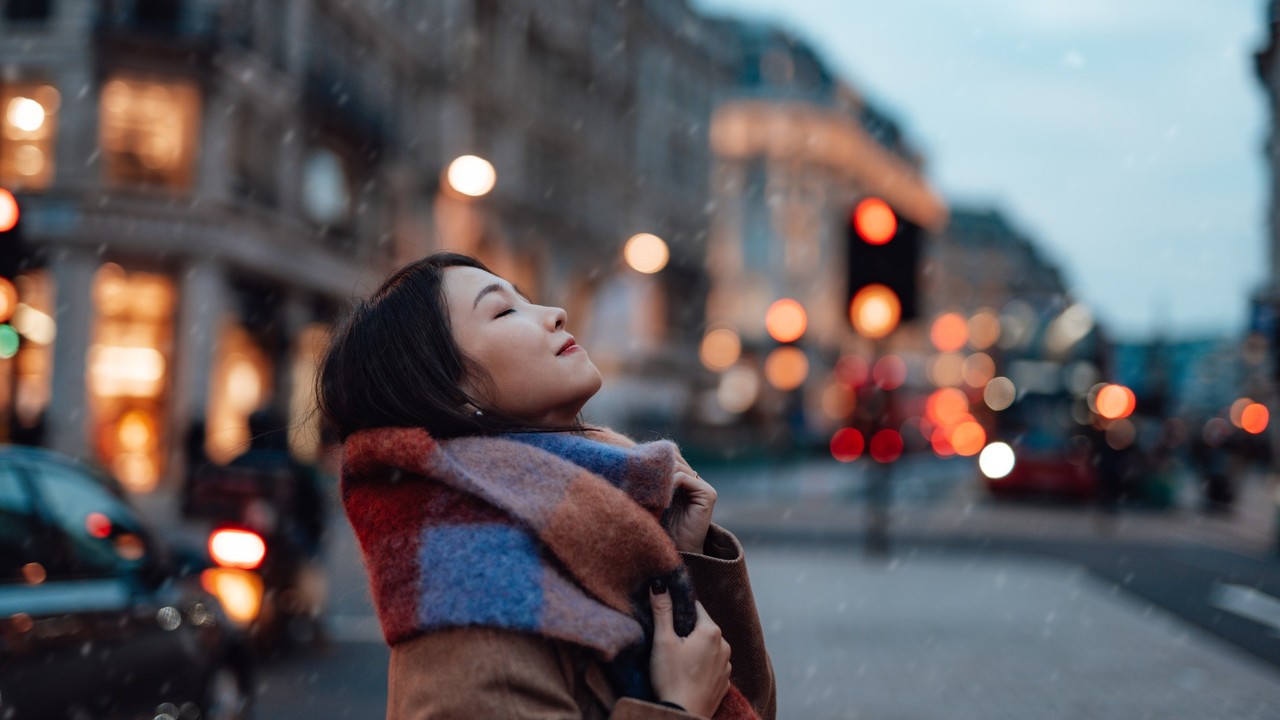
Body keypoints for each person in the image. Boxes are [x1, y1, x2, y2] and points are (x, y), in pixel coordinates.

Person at [318, 252, 775, 720]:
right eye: (503, 310)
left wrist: (682, 557)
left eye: (527, 299)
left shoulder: (600, 526)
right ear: (449, 391)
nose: (554, 313)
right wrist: (682, 707)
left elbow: (748, 704)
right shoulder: (473, 597)